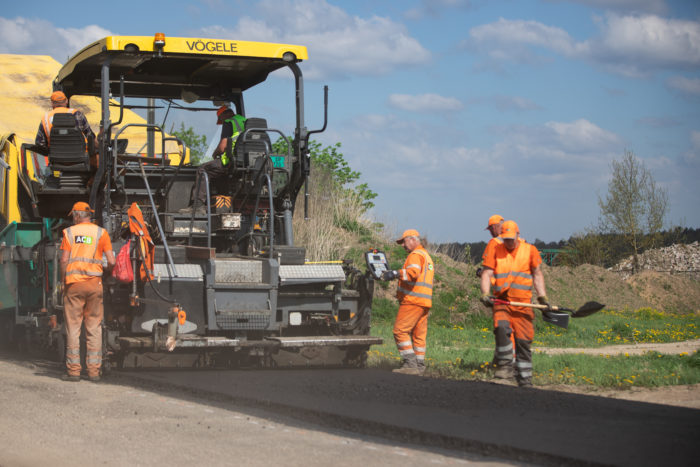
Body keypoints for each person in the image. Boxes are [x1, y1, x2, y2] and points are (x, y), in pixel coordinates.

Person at [479, 220, 549, 387]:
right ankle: (504, 367)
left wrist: (542, 297)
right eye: (506, 239)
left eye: (511, 238)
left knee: (523, 341)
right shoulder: (496, 249)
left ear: (518, 234)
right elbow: (487, 273)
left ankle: (525, 378)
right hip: (502, 300)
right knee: (502, 329)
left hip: (523, 303)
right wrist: (485, 293)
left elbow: (537, 275)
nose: (509, 242)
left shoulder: (530, 251)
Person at [60, 202, 115, 382]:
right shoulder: (101, 233)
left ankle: (74, 372)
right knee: (93, 328)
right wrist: (103, 272)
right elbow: (112, 261)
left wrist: (63, 281)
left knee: (74, 329)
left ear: (76, 216)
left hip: (73, 286)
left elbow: (63, 260)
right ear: (88, 215)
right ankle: (93, 372)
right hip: (94, 285)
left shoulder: (69, 233)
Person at [381, 229, 435, 375]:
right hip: (424, 302)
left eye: (403, 242)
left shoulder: (415, 255)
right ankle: (419, 365)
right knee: (418, 335)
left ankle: (410, 364)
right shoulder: (426, 256)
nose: (403, 246)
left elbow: (412, 273)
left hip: (412, 300)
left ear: (412, 240)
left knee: (400, 331)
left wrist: (394, 273)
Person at [179, 106, 246, 215]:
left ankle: (198, 206)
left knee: (202, 168)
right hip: (245, 163)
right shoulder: (245, 121)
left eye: (221, 119)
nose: (222, 121)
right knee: (219, 173)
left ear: (224, 115)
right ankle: (224, 203)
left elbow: (222, 147)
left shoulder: (229, 122)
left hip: (231, 161)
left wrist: (215, 154)